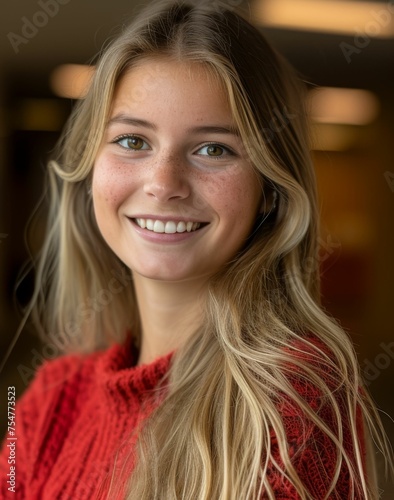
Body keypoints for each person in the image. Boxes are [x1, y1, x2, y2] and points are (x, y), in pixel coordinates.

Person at [0, 0, 392, 498]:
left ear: (269, 188)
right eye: (132, 141)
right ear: (90, 165)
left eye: (214, 149)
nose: (164, 184)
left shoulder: (293, 406)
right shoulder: (45, 403)